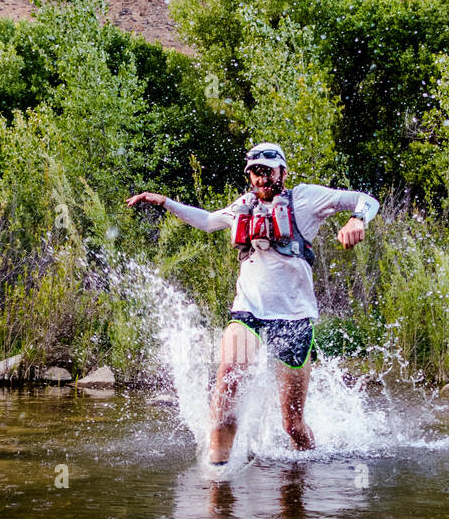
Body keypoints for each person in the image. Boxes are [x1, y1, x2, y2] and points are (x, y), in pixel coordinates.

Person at [127, 143, 379, 463]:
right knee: (227, 385)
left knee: (293, 427)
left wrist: (357, 220)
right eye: (253, 173)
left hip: (294, 321)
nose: (260, 179)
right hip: (249, 314)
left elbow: (366, 199)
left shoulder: (306, 198)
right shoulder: (242, 206)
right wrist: (164, 202)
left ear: (282, 173)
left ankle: (309, 477)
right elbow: (206, 221)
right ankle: (217, 477)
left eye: (266, 172)